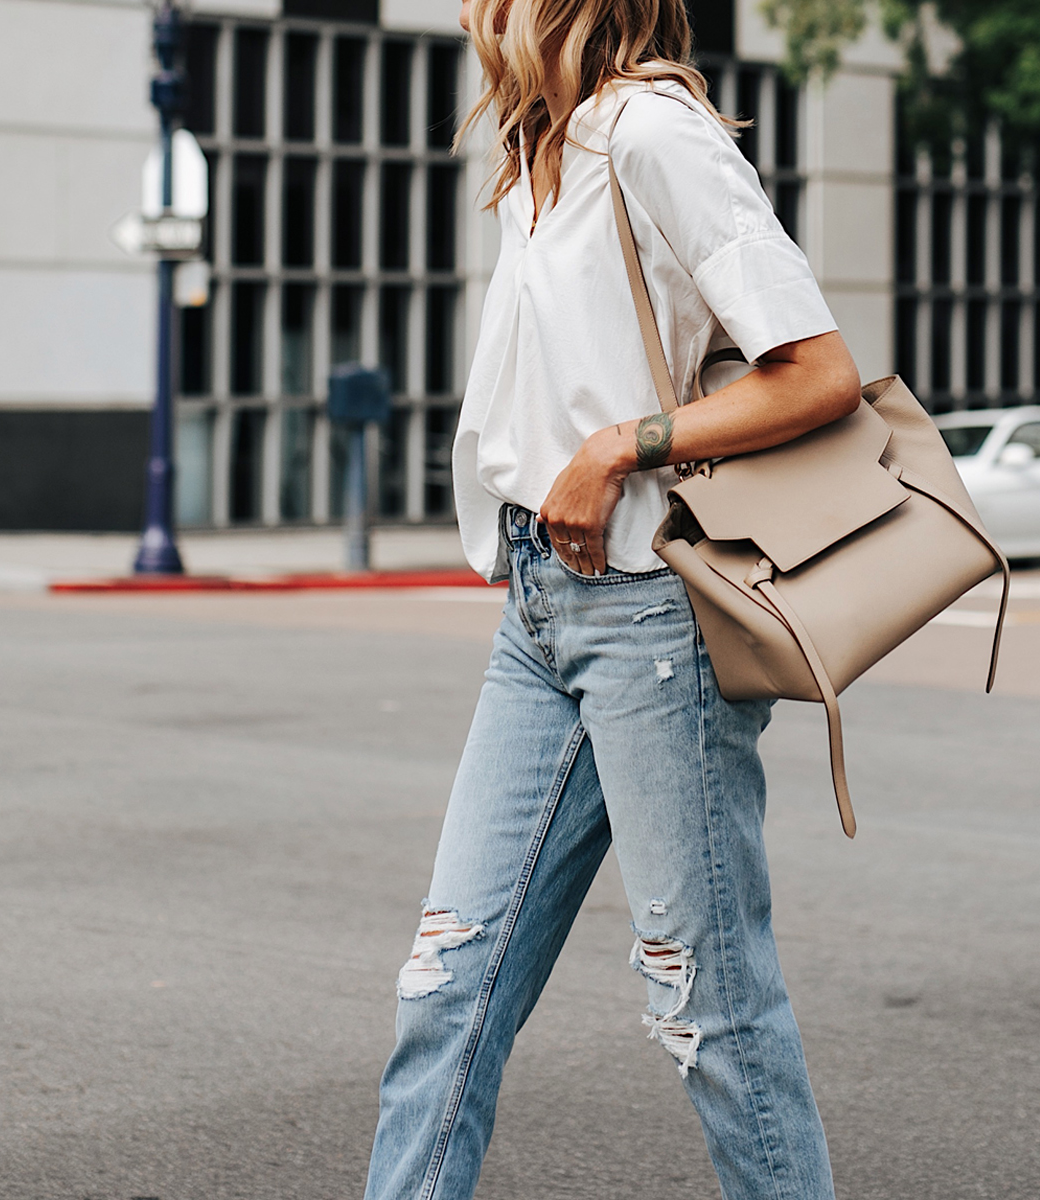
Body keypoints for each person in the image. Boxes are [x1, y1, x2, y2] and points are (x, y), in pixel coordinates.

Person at [362, 0, 861, 1193]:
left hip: (650, 618)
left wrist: (618, 447)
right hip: (538, 608)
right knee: (447, 986)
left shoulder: (652, 132)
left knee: (709, 1007)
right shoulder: (537, 155)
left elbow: (819, 372)